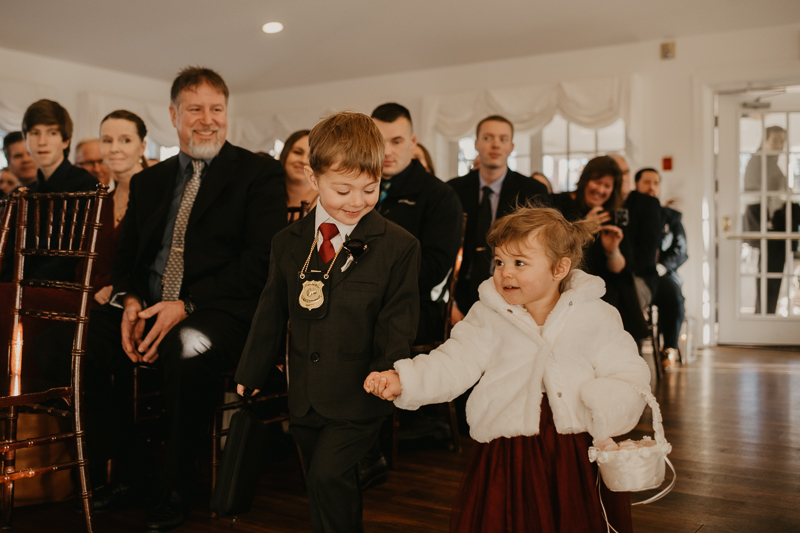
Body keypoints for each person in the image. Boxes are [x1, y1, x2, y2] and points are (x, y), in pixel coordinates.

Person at [36, 66, 286, 532]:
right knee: (60, 350)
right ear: (174, 115)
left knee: (185, 350)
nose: (207, 119)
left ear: (227, 114)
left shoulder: (257, 173)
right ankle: (136, 470)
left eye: (217, 109)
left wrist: (186, 306)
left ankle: (176, 487)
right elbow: (128, 255)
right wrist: (130, 300)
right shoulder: (152, 182)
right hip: (146, 305)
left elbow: (259, 263)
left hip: (219, 310)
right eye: (195, 109)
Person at [365, 206, 650, 533]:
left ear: (560, 268)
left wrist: (609, 403)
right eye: (499, 262)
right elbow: (455, 360)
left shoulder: (596, 315)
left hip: (574, 447)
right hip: (511, 447)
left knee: (572, 516)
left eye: (519, 263)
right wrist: (405, 379)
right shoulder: (487, 315)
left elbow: (627, 368)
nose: (505, 273)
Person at [235, 111, 420, 533]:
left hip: (359, 393)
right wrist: (251, 370)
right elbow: (270, 311)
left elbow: (398, 318)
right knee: (320, 483)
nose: (357, 201)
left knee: (327, 475)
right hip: (303, 393)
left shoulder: (399, 246)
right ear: (312, 177)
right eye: (343, 189)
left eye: (369, 189)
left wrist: (388, 370)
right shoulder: (288, 242)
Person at [371, 103, 463, 344]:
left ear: (412, 142)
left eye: (396, 141)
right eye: (379, 141)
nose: (387, 151)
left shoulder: (440, 196)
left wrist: (373, 283)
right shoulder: (355, 189)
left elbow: (434, 268)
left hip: (412, 307)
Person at [449, 115, 548, 320]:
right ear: (476, 144)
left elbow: (540, 250)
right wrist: (449, 303)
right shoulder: (452, 190)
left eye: (503, 139)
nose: (495, 145)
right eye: (488, 138)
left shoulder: (531, 190)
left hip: (512, 290)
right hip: (461, 292)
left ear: (511, 146)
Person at [549, 156, 649, 341]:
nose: (600, 190)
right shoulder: (559, 203)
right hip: (565, 283)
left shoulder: (612, 214)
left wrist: (612, 250)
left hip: (606, 286)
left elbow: (620, 269)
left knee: (617, 300)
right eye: (597, 182)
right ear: (586, 179)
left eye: (607, 186)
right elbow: (552, 249)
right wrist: (585, 225)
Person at [91, 110, 149, 305]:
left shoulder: (159, 198)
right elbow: (84, 265)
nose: (114, 148)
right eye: (107, 140)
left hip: (137, 301)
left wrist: (120, 288)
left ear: (142, 147)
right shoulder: (100, 203)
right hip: (92, 296)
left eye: (125, 140)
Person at [635, 168, 687, 372]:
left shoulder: (670, 218)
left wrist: (662, 267)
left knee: (673, 293)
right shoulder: (629, 215)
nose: (651, 187)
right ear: (636, 185)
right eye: (647, 182)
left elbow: (681, 250)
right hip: (638, 274)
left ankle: (670, 347)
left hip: (663, 274)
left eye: (656, 183)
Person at [742, 125, 789, 314]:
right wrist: (769, 218)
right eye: (775, 140)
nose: (780, 144)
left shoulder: (771, 162)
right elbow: (755, 196)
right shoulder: (759, 162)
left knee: (771, 273)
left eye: (782, 140)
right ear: (765, 140)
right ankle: (764, 315)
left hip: (772, 224)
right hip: (767, 225)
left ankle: (766, 313)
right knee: (767, 273)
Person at [279, 129, 317, 208]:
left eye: (311, 156)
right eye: (297, 152)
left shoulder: (325, 202)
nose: (303, 161)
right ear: (285, 153)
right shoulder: (265, 193)